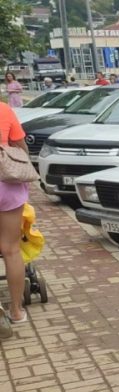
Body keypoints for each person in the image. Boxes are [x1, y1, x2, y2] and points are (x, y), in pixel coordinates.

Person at [0, 100, 32, 335]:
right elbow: (21, 147)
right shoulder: (3, 109)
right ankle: (16, 311)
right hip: (6, 185)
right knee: (10, 249)